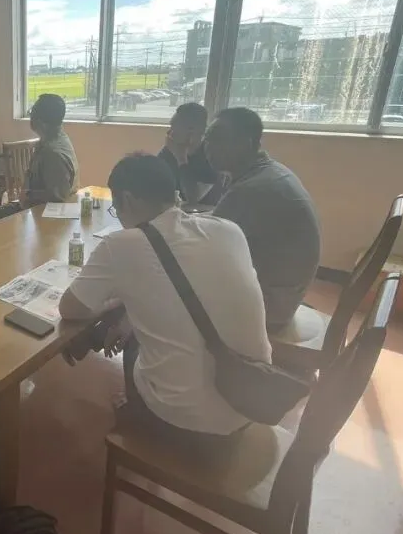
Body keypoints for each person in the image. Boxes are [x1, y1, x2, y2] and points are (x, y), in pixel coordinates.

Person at [58, 153, 270, 445]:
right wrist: (126, 312)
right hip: (250, 404)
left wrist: (115, 303)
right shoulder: (228, 230)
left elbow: (69, 309)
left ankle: (136, 414)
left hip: (182, 423)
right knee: (136, 318)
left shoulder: (121, 245)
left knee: (135, 338)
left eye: (116, 209)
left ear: (127, 200)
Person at [204, 107, 321, 333]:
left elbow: (204, 244)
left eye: (217, 138)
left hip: (269, 307)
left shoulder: (252, 189)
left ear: (246, 143)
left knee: (164, 279)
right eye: (207, 138)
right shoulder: (271, 172)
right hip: (285, 295)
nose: (207, 146)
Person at [0, 93, 79, 222]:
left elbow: (57, 196)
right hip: (35, 204)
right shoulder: (58, 138)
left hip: (42, 210)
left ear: (40, 122)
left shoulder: (51, 152)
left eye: (32, 113)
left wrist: (27, 195)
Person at [156, 103, 221, 205]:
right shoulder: (170, 149)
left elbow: (193, 199)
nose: (169, 132)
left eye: (174, 127)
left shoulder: (211, 156)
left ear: (191, 131)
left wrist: (181, 159)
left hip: (203, 212)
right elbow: (153, 180)